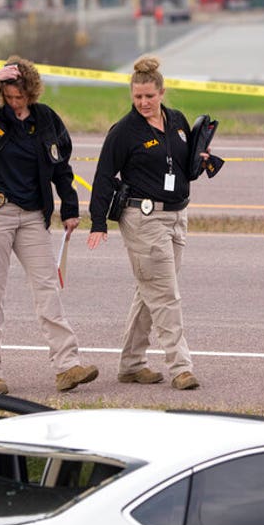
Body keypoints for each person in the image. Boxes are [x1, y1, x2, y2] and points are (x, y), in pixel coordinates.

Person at [0, 56, 98, 394]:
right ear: (2, 91)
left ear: (32, 93)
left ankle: (67, 366)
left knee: (47, 290)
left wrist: (69, 208)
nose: (16, 104)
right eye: (10, 97)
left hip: (32, 218)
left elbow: (62, 167)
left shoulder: (46, 121)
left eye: (21, 98)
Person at [87, 56, 207, 391]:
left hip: (177, 215)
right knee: (166, 294)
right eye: (137, 97)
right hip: (143, 218)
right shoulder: (124, 132)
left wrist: (203, 161)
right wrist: (98, 222)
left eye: (149, 97)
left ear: (161, 92)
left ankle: (131, 364)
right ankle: (180, 366)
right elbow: (103, 177)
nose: (143, 103)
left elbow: (185, 166)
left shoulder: (178, 122)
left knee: (150, 291)